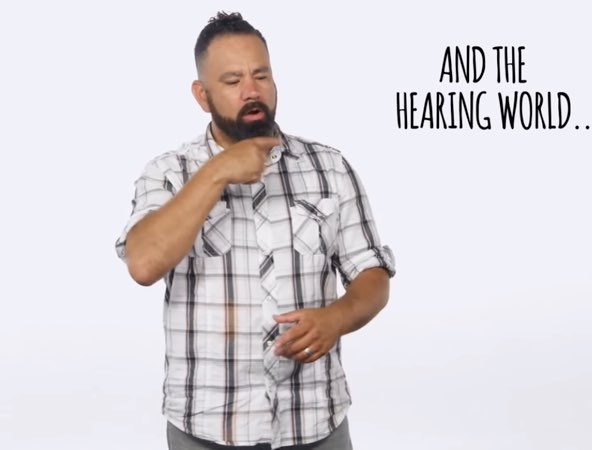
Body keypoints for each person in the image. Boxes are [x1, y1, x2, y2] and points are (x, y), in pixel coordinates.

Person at [115, 11, 395, 450]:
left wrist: (335, 318)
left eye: (261, 75)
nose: (252, 91)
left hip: (314, 423)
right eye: (232, 81)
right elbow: (144, 264)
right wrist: (216, 173)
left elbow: (372, 275)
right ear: (202, 95)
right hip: (207, 429)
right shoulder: (167, 173)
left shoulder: (329, 167)